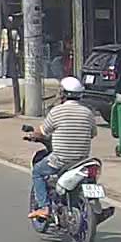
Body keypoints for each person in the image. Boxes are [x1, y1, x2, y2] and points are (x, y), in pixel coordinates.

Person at [29, 76, 96, 220]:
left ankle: (44, 207)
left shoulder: (56, 111)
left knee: (37, 172)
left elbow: (43, 131)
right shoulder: (88, 113)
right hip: (82, 161)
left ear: (63, 93)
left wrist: (33, 135)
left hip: (60, 160)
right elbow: (93, 134)